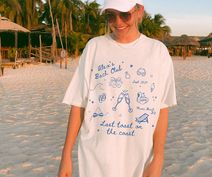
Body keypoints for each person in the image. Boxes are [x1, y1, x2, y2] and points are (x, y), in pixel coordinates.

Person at [58, 0, 177, 177]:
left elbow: (162, 108)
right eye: (110, 16)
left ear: (139, 12)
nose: (118, 22)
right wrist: (66, 155)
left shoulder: (158, 52)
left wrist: (158, 158)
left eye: (124, 14)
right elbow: (78, 104)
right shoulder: (94, 47)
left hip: (140, 159)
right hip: (95, 160)